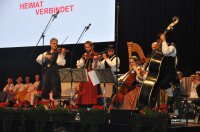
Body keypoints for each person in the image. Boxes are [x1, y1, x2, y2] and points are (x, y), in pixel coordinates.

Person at [150, 34, 177, 113]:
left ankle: (171, 96)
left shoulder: (172, 48)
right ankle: (154, 106)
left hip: (171, 73)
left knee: (163, 83)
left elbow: (166, 52)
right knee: (154, 86)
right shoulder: (159, 50)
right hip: (162, 74)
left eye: (159, 41)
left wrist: (164, 41)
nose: (158, 43)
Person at [36, 38, 67, 106]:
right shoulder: (46, 53)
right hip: (46, 75)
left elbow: (61, 63)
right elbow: (37, 59)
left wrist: (62, 55)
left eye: (56, 43)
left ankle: (56, 109)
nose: (55, 45)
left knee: (56, 91)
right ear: (50, 44)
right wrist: (45, 56)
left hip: (55, 74)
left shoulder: (59, 53)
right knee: (45, 91)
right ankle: (45, 108)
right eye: (53, 43)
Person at [76, 41, 99, 107]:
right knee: (83, 89)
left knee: (91, 91)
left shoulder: (95, 54)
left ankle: (91, 105)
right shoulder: (85, 54)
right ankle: (83, 104)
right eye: (86, 47)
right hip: (85, 72)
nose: (87, 49)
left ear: (91, 47)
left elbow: (95, 67)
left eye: (88, 47)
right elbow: (80, 65)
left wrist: (96, 61)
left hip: (93, 73)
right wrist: (83, 59)